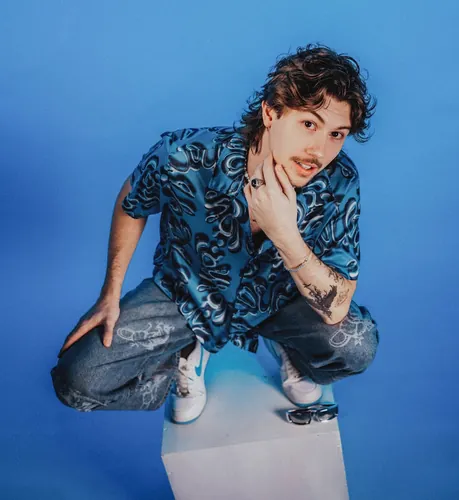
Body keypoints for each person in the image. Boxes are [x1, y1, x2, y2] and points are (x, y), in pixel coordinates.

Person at [51, 43, 380, 423]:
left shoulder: (339, 181)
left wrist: (284, 234)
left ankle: (287, 346)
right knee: (77, 382)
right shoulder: (185, 155)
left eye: (337, 134)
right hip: (187, 293)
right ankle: (183, 353)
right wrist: (110, 292)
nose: (319, 151)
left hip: (281, 300)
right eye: (309, 124)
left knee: (356, 347)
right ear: (271, 113)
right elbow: (133, 197)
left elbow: (337, 306)